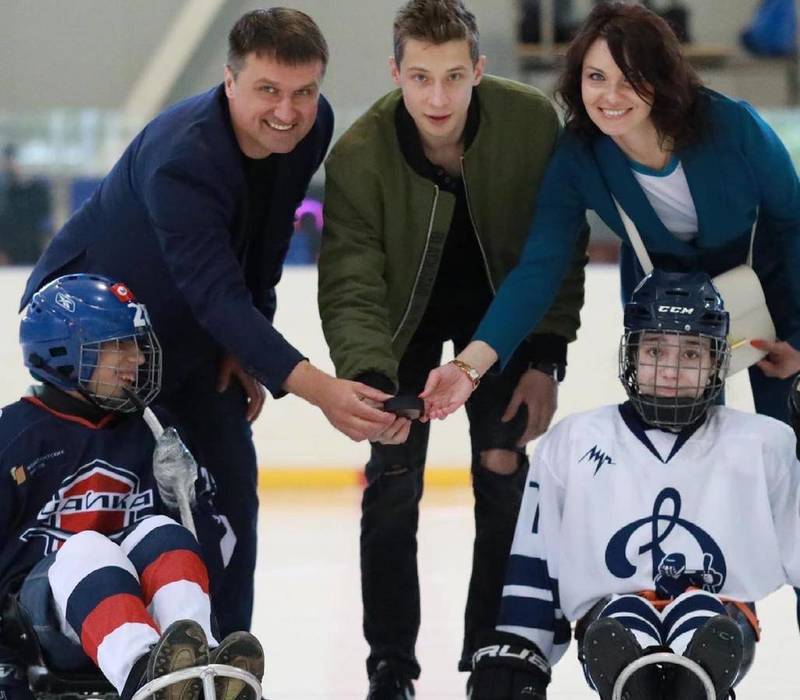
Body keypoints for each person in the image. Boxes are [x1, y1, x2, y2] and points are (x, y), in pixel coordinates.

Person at [19, 8, 395, 636]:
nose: (288, 111)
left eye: (304, 91)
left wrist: (247, 347)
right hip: (93, 343)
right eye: (268, 90)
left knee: (227, 497)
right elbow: (214, 293)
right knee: (115, 508)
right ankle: (104, 663)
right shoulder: (182, 157)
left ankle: (222, 659)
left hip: (192, 332)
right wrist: (318, 390)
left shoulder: (311, 125)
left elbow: (268, 240)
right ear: (229, 80)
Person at [317, 0, 587, 695]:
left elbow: (558, 246)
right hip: (398, 331)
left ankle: (493, 653)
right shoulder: (358, 153)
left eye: (454, 76)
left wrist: (545, 356)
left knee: (502, 473)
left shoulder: (531, 123)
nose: (437, 97)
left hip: (502, 321)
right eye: (419, 78)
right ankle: (391, 666)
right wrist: (371, 377)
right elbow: (351, 281)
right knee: (393, 482)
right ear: (395, 73)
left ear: (479, 70)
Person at [422, 1, 800, 426]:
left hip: (772, 289)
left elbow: (793, 226)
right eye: (596, 77)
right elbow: (539, 270)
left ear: (660, 79)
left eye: (631, 79)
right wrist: (467, 368)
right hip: (666, 304)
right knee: (682, 445)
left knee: (789, 434)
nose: (611, 97)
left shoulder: (732, 125)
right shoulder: (577, 157)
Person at [466, 270, 800, 700]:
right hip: (609, 627)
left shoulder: (766, 443)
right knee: (621, 620)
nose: (670, 370)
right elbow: (536, 559)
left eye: (692, 355)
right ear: (630, 355)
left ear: (718, 362)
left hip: (724, 626)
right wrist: (522, 649)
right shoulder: (573, 441)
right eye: (655, 350)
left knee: (703, 619)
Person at [0, 274, 264, 700]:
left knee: (164, 533)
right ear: (63, 354)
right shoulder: (13, 437)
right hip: (40, 626)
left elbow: (216, 552)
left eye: (137, 344)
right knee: (87, 548)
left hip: (133, 614)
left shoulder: (154, 431)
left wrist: (189, 499)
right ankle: (149, 679)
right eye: (117, 346)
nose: (137, 359)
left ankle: (198, 670)